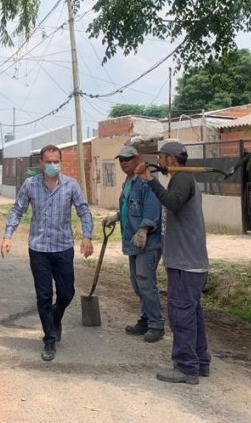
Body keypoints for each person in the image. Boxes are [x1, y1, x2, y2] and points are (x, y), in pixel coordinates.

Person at [1, 145, 94, 362]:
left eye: (56, 161)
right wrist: (8, 235)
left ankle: (54, 317)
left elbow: (83, 209)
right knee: (43, 296)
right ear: (41, 163)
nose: (53, 165)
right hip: (39, 249)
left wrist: (87, 236)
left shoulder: (71, 185)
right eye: (48, 161)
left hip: (63, 247)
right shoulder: (31, 184)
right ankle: (49, 339)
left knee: (66, 293)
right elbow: (18, 209)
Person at [136, 141, 210, 385]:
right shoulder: (182, 179)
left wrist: (150, 180)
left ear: (171, 159)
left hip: (186, 262)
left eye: (163, 157)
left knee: (181, 314)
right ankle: (200, 361)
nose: (161, 162)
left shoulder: (182, 179)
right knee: (191, 312)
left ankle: (186, 367)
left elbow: (173, 202)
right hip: (189, 260)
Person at [102, 145, 165, 343]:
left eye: (127, 159)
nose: (123, 163)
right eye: (121, 160)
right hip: (133, 241)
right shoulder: (127, 183)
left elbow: (153, 208)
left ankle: (156, 324)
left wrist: (145, 229)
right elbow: (127, 208)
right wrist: (115, 217)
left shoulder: (146, 180)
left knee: (146, 283)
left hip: (148, 241)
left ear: (136, 159)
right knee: (137, 284)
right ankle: (146, 319)